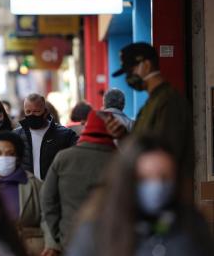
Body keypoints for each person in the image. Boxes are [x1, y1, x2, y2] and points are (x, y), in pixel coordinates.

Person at [65, 135, 214, 256]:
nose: (157, 185)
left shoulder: (192, 225)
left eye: (164, 177)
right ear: (126, 180)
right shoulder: (96, 232)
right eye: (144, 178)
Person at [106, 42, 194, 199]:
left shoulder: (169, 101)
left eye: (131, 71)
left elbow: (166, 152)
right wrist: (123, 136)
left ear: (146, 65)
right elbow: (147, 144)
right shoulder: (152, 102)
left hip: (166, 194)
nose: (128, 78)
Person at [41, 111, 115, 248]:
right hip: (111, 240)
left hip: (70, 238)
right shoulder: (120, 160)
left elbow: (47, 199)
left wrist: (58, 234)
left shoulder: (63, 158)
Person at [0, 132, 60, 256]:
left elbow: (47, 216)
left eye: (10, 154)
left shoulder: (34, 184)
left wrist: (51, 245)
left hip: (30, 248)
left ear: (18, 158)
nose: (4, 157)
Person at [14, 94, 77, 180]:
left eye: (36, 111)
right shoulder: (16, 135)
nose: (32, 115)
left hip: (53, 187)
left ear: (45, 111)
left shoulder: (65, 135)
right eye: (28, 112)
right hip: (27, 188)